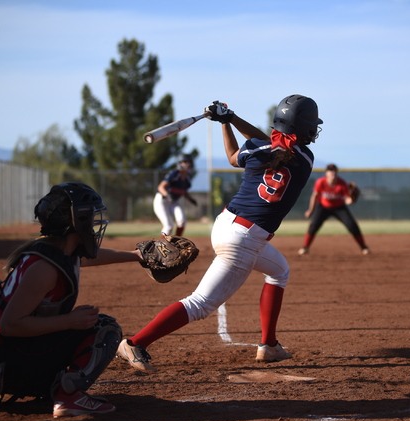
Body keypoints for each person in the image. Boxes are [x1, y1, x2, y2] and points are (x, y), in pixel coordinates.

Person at [116, 95, 322, 371]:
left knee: (279, 270)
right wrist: (230, 118)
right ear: (304, 126)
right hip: (245, 239)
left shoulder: (257, 149)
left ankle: (269, 346)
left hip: (225, 224)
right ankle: (135, 342)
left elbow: (235, 155)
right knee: (199, 304)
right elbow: (271, 144)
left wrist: (226, 121)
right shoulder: (305, 158)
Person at [0, 182, 147, 418]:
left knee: (89, 324)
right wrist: (69, 320)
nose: (94, 224)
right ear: (76, 221)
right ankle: (68, 396)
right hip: (8, 353)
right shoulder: (45, 269)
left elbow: (90, 257)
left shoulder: (58, 251)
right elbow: (10, 325)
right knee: (104, 328)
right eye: (91, 217)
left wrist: (136, 256)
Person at [298, 163, 369, 256]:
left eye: (334, 171)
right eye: (330, 171)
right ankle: (305, 247)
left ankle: (364, 247)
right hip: (324, 206)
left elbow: (346, 199)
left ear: (337, 173)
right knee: (313, 225)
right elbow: (314, 196)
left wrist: (350, 200)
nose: (332, 173)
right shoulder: (321, 182)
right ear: (326, 173)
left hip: (339, 207)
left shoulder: (342, 183)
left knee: (352, 225)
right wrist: (310, 211)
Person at [153, 153, 198, 236]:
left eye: (189, 162)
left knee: (182, 221)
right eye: (185, 162)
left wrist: (191, 199)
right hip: (162, 201)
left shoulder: (187, 178)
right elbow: (160, 187)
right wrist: (167, 195)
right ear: (180, 163)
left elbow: (184, 191)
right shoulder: (174, 174)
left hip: (173, 202)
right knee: (169, 226)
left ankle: (176, 242)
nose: (188, 164)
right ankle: (163, 246)